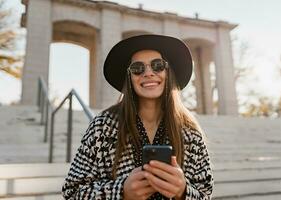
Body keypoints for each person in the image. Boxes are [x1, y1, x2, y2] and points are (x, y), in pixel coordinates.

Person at [62, 34, 213, 200]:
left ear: (168, 72)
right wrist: (121, 192)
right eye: (137, 68)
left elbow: (205, 194)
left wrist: (183, 192)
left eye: (157, 66)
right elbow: (72, 191)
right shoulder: (102, 126)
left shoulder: (190, 130)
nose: (148, 73)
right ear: (129, 76)